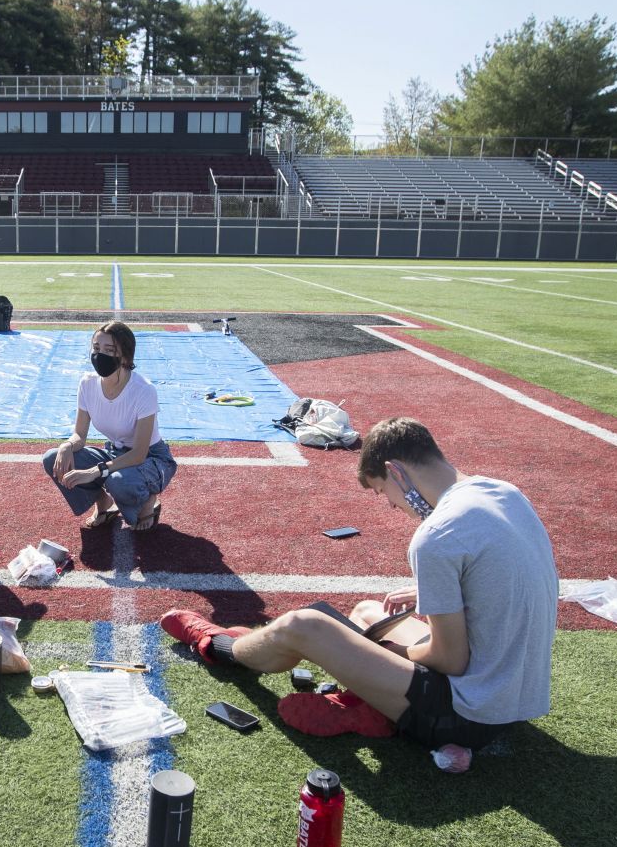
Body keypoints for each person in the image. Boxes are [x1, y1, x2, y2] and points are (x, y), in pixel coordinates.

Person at [160, 416, 557, 758]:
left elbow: (450, 659)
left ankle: (217, 646)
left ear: (397, 471)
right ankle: (368, 707)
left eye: (384, 491)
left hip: (465, 716)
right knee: (369, 611)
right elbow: (506, 575)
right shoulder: (503, 492)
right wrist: (419, 602)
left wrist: (387, 649)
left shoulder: (436, 535)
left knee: (305, 624)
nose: (391, 506)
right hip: (514, 697)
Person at [42, 321, 177, 532]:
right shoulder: (87, 383)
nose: (99, 355)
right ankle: (103, 502)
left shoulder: (144, 390)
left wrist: (95, 471)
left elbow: (140, 453)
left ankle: (148, 500)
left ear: (125, 355)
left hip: (151, 459)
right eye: (96, 348)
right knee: (53, 458)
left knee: (118, 481)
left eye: (109, 350)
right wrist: (67, 445)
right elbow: (79, 434)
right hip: (115, 454)